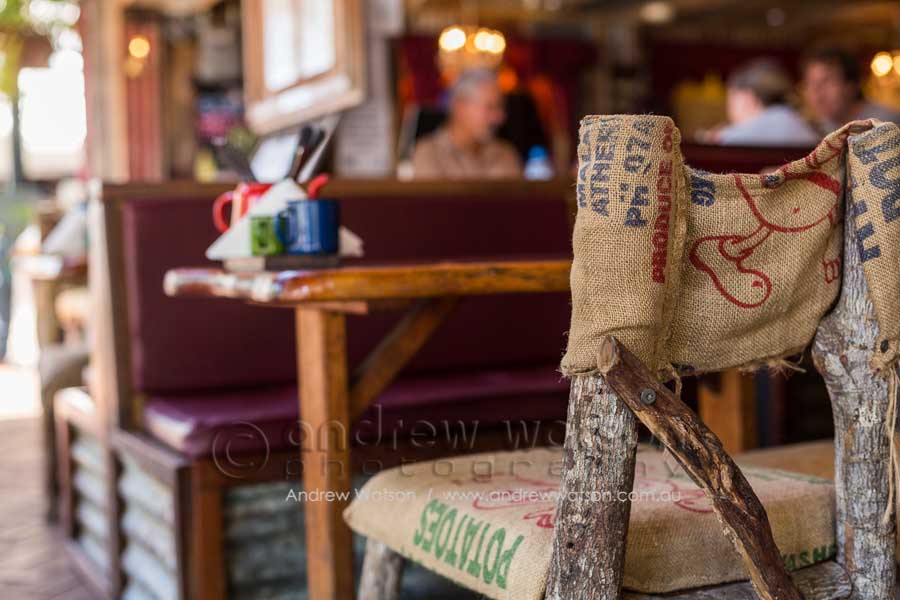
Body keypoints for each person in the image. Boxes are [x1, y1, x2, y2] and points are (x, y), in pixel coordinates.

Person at [412, 69, 522, 179]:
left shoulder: (506, 154)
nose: (499, 118)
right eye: (490, 107)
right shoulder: (429, 153)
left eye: (500, 108)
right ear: (460, 107)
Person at [714, 59, 820, 147]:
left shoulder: (730, 138)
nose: (730, 110)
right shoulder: (807, 129)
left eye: (731, 101)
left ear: (748, 98)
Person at [801, 47, 900, 133]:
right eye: (810, 83)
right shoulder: (817, 129)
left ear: (851, 86)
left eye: (826, 81)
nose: (817, 94)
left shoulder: (886, 124)